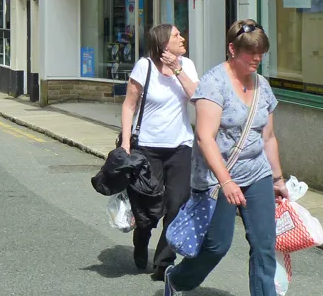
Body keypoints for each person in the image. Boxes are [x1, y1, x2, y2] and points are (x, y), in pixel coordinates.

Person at [165, 19, 289, 296]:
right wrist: (227, 182)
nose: (257, 58)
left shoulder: (262, 86)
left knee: (264, 246)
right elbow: (204, 137)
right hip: (217, 178)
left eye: (261, 52)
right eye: (250, 52)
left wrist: (278, 178)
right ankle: (178, 279)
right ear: (232, 49)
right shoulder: (213, 83)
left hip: (256, 173)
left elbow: (267, 137)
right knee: (216, 245)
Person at [119, 24, 199, 281]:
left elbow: (198, 97)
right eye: (176, 35)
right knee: (149, 208)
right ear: (163, 43)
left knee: (177, 205)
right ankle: (142, 239)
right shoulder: (145, 66)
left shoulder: (187, 65)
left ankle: (164, 262)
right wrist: (126, 144)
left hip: (181, 147)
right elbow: (129, 105)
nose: (182, 38)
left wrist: (177, 70)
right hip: (148, 147)